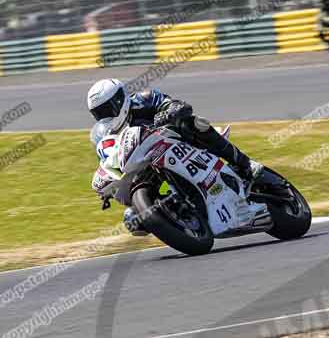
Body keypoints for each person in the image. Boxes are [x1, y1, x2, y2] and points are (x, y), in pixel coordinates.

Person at [87, 78, 264, 234]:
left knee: (194, 123)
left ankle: (245, 163)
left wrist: (170, 112)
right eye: (99, 114)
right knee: (134, 217)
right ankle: (173, 213)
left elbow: (178, 105)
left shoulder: (144, 99)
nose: (104, 117)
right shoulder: (104, 135)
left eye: (106, 110)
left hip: (177, 142)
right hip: (144, 164)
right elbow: (106, 160)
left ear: (119, 100)